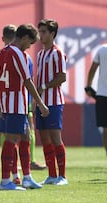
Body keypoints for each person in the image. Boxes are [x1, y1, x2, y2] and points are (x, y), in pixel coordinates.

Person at [0, 24, 49, 191]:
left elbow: (0, 80)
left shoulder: (2, 53)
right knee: (11, 140)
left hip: (8, 102)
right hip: (16, 103)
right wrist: (41, 103)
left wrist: (0, 105)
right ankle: (5, 181)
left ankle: (27, 177)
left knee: (25, 137)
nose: (30, 46)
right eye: (30, 43)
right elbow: (28, 81)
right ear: (24, 38)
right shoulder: (19, 54)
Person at [36, 19, 68, 185]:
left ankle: (62, 177)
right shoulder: (40, 54)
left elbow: (62, 77)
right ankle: (52, 175)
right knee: (44, 139)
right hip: (41, 102)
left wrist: (43, 86)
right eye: (39, 31)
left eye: (43, 32)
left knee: (56, 138)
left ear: (52, 34)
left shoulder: (57, 53)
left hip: (54, 102)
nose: (40, 35)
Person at [85, 42, 107, 168]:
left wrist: (89, 85)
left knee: (106, 129)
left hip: (102, 94)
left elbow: (93, 69)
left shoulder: (103, 49)